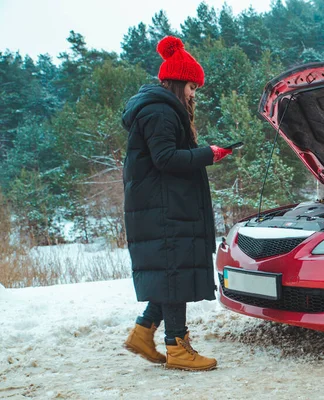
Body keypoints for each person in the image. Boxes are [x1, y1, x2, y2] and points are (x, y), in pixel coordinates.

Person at [121, 36, 232, 371]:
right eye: (192, 87)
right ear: (179, 82)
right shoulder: (160, 112)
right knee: (173, 274)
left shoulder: (158, 109)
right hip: (163, 209)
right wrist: (207, 155)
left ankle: (144, 332)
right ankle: (178, 347)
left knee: (172, 273)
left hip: (164, 206)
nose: (193, 94)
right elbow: (165, 158)